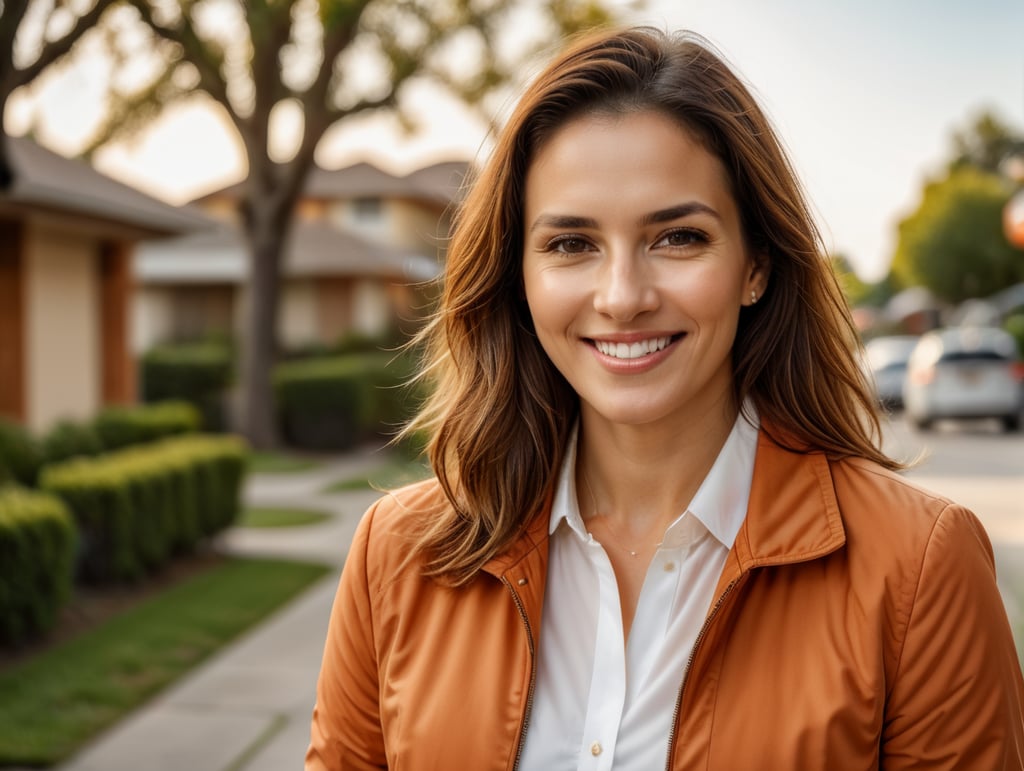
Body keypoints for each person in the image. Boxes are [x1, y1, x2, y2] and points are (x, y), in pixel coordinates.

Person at [306, 26, 1024, 770]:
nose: (622, 298)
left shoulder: (919, 569)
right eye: (571, 244)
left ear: (756, 266)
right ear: (519, 276)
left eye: (677, 237)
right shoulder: (395, 555)